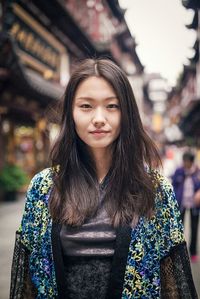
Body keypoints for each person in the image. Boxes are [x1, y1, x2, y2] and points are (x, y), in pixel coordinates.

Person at [10, 59, 198, 299]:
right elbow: (27, 284)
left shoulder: (154, 188)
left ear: (127, 113)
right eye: (86, 106)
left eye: (112, 106)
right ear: (71, 113)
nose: (99, 118)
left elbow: (174, 285)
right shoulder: (44, 186)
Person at [172, 151, 200, 263]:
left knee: (194, 228)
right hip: (181, 204)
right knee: (179, 228)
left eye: (187, 162)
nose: (185, 164)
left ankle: (193, 252)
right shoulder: (179, 171)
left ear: (191, 162)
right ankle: (179, 252)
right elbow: (173, 184)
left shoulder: (197, 172)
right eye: (184, 161)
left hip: (194, 205)